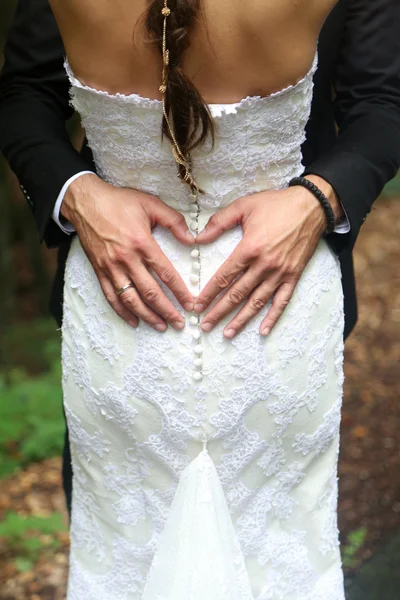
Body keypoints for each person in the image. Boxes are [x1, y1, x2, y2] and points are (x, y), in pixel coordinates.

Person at [0, 0, 399, 597]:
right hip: (133, 296)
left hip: (265, 291)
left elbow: (385, 100)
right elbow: (24, 92)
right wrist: (76, 193)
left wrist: (318, 198)